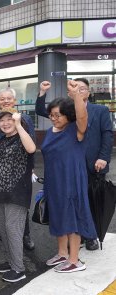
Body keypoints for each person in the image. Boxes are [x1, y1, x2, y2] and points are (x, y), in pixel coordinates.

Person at [36, 79, 113, 251]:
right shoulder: (66, 111)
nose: (78, 90)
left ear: (88, 92)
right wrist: (42, 93)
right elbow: (43, 111)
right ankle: (76, 241)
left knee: (90, 201)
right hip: (69, 165)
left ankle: (91, 235)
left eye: (82, 88)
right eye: (75, 87)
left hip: (94, 163)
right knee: (73, 203)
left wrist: (103, 157)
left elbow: (107, 135)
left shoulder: (100, 110)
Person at [39, 81, 98, 273]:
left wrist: (76, 96)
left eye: (58, 115)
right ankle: (63, 253)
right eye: (51, 114)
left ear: (68, 115)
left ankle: (75, 260)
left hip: (71, 180)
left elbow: (82, 116)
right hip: (54, 181)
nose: (53, 118)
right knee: (58, 215)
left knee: (72, 217)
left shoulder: (76, 130)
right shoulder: (50, 131)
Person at [0, 109, 36, 283]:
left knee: (13, 229)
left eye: (10, 120)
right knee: (3, 228)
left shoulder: (23, 138)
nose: (6, 123)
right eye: (2, 121)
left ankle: (19, 269)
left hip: (17, 192)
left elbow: (31, 148)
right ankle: (11, 261)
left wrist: (18, 124)